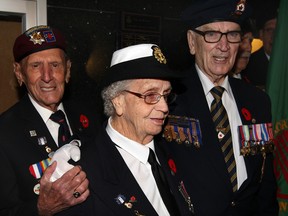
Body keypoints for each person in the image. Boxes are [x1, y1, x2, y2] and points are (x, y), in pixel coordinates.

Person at [162, 0, 279, 215]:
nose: (224, 46)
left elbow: (265, 181)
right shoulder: (169, 99)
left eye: (232, 35)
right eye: (212, 35)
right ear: (192, 41)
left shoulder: (257, 100)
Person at [60, 44, 194, 216]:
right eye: (150, 95)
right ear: (118, 101)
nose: (164, 107)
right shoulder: (82, 173)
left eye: (166, 95)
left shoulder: (171, 150)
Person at [0, 25, 100, 216]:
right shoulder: (4, 134)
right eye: (36, 66)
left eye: (55, 65)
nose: (47, 77)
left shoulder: (90, 117)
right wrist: (41, 209)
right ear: (20, 73)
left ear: (68, 70)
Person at [242, 5, 278, 90]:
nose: (274, 36)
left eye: (278, 31)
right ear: (261, 34)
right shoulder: (247, 65)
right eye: (270, 30)